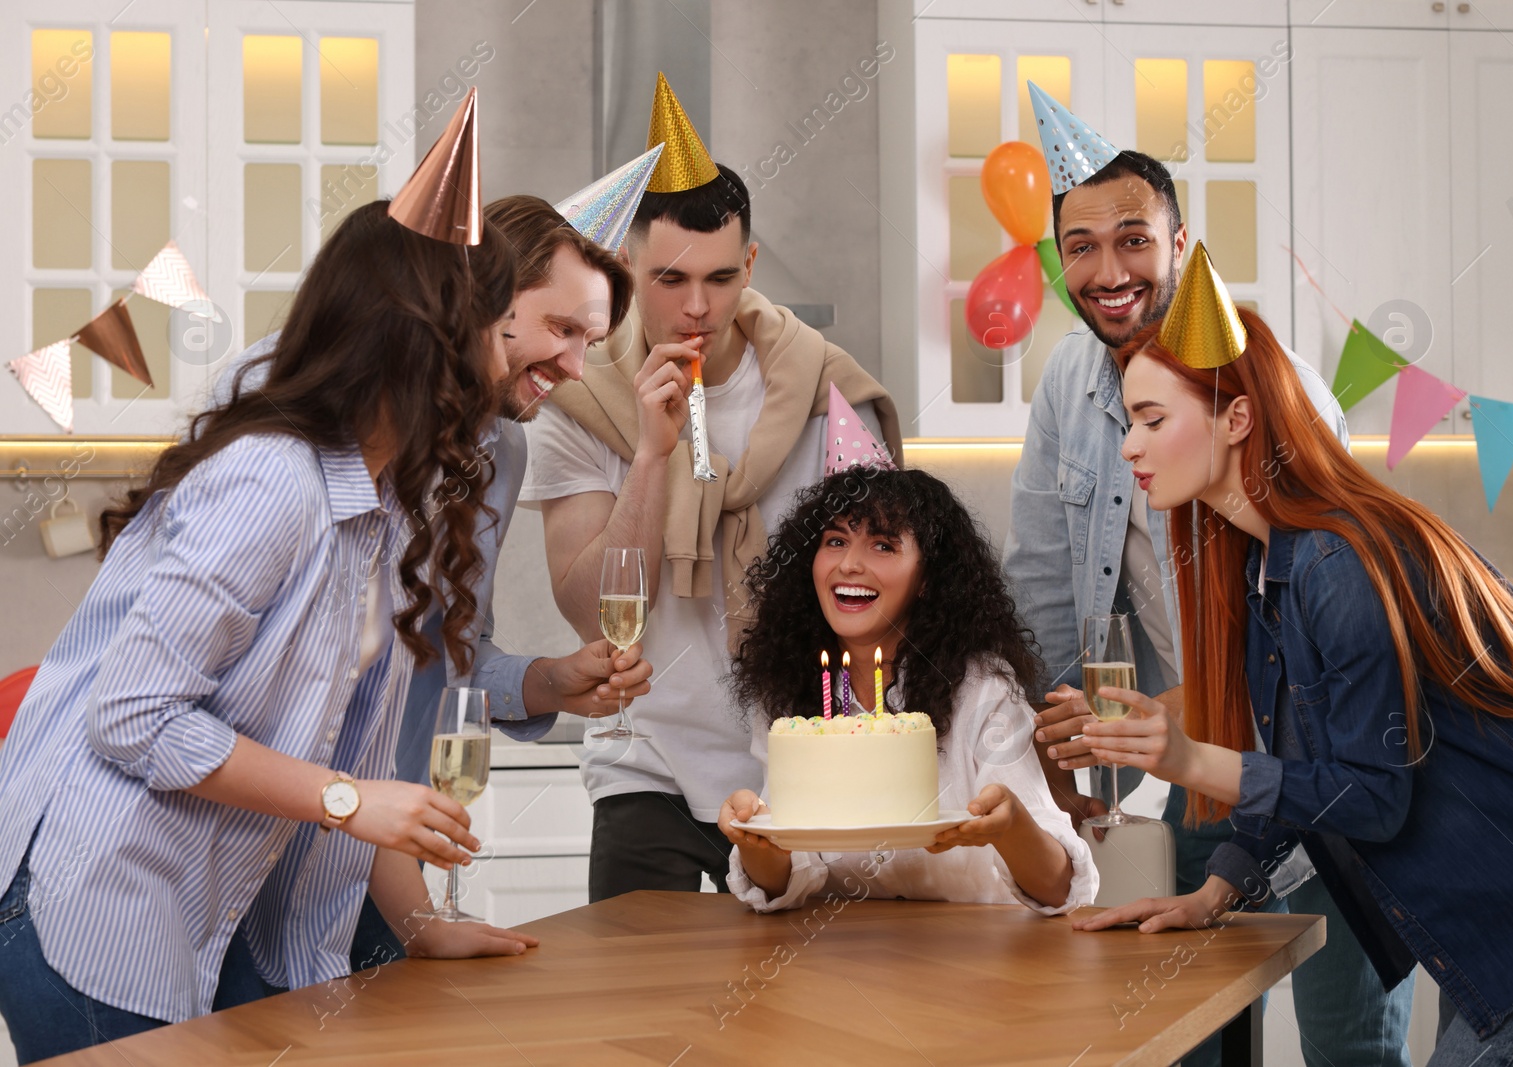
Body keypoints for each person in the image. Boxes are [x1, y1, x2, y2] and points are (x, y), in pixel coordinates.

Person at [0, 201, 537, 1064]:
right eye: (499, 329)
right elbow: (133, 715)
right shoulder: (269, 480)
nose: (510, 358)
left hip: (193, 913)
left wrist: (422, 923)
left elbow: (353, 749)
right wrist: (349, 801)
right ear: (431, 342)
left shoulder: (386, 508)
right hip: (96, 903)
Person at [1074, 296, 1513, 1067]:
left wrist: (1188, 760)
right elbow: (1309, 762)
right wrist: (1214, 893)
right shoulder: (1270, 568)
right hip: (1507, 899)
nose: (1130, 447)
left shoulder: (1333, 564)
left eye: (1152, 419)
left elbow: (1370, 797)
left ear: (1237, 419)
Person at [1003, 84, 1408, 1067]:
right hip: (1177, 770)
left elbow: (1321, 601)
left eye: (1133, 238)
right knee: (1177, 1026)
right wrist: (1058, 733)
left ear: (1182, 246)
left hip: (1310, 762)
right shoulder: (1067, 377)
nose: (1108, 270)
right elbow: (1044, 576)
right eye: (1081, 246)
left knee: (1345, 1035)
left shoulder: (1268, 390)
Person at [218, 195, 657, 972]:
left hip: (376, 862)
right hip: (239, 849)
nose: (576, 367)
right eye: (563, 329)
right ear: (481, 300)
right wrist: (348, 807)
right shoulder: (296, 398)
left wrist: (550, 681)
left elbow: (444, 656)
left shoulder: (501, 452)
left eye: (592, 340)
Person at [524, 75, 901, 903]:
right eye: (668, 279)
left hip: (801, 769)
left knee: (788, 1026)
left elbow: (882, 596)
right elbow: (592, 612)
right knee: (640, 1018)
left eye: (722, 279)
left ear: (751, 264)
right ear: (625, 260)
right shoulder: (579, 399)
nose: (697, 307)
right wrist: (654, 458)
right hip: (644, 767)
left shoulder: (828, 397)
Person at [718, 467, 1096, 914]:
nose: (849, 564)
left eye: (883, 545)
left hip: (978, 957)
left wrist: (1010, 826)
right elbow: (785, 881)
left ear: (928, 579)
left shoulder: (981, 690)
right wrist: (756, 840)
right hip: (838, 959)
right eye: (835, 541)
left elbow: (1059, 890)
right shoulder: (788, 695)